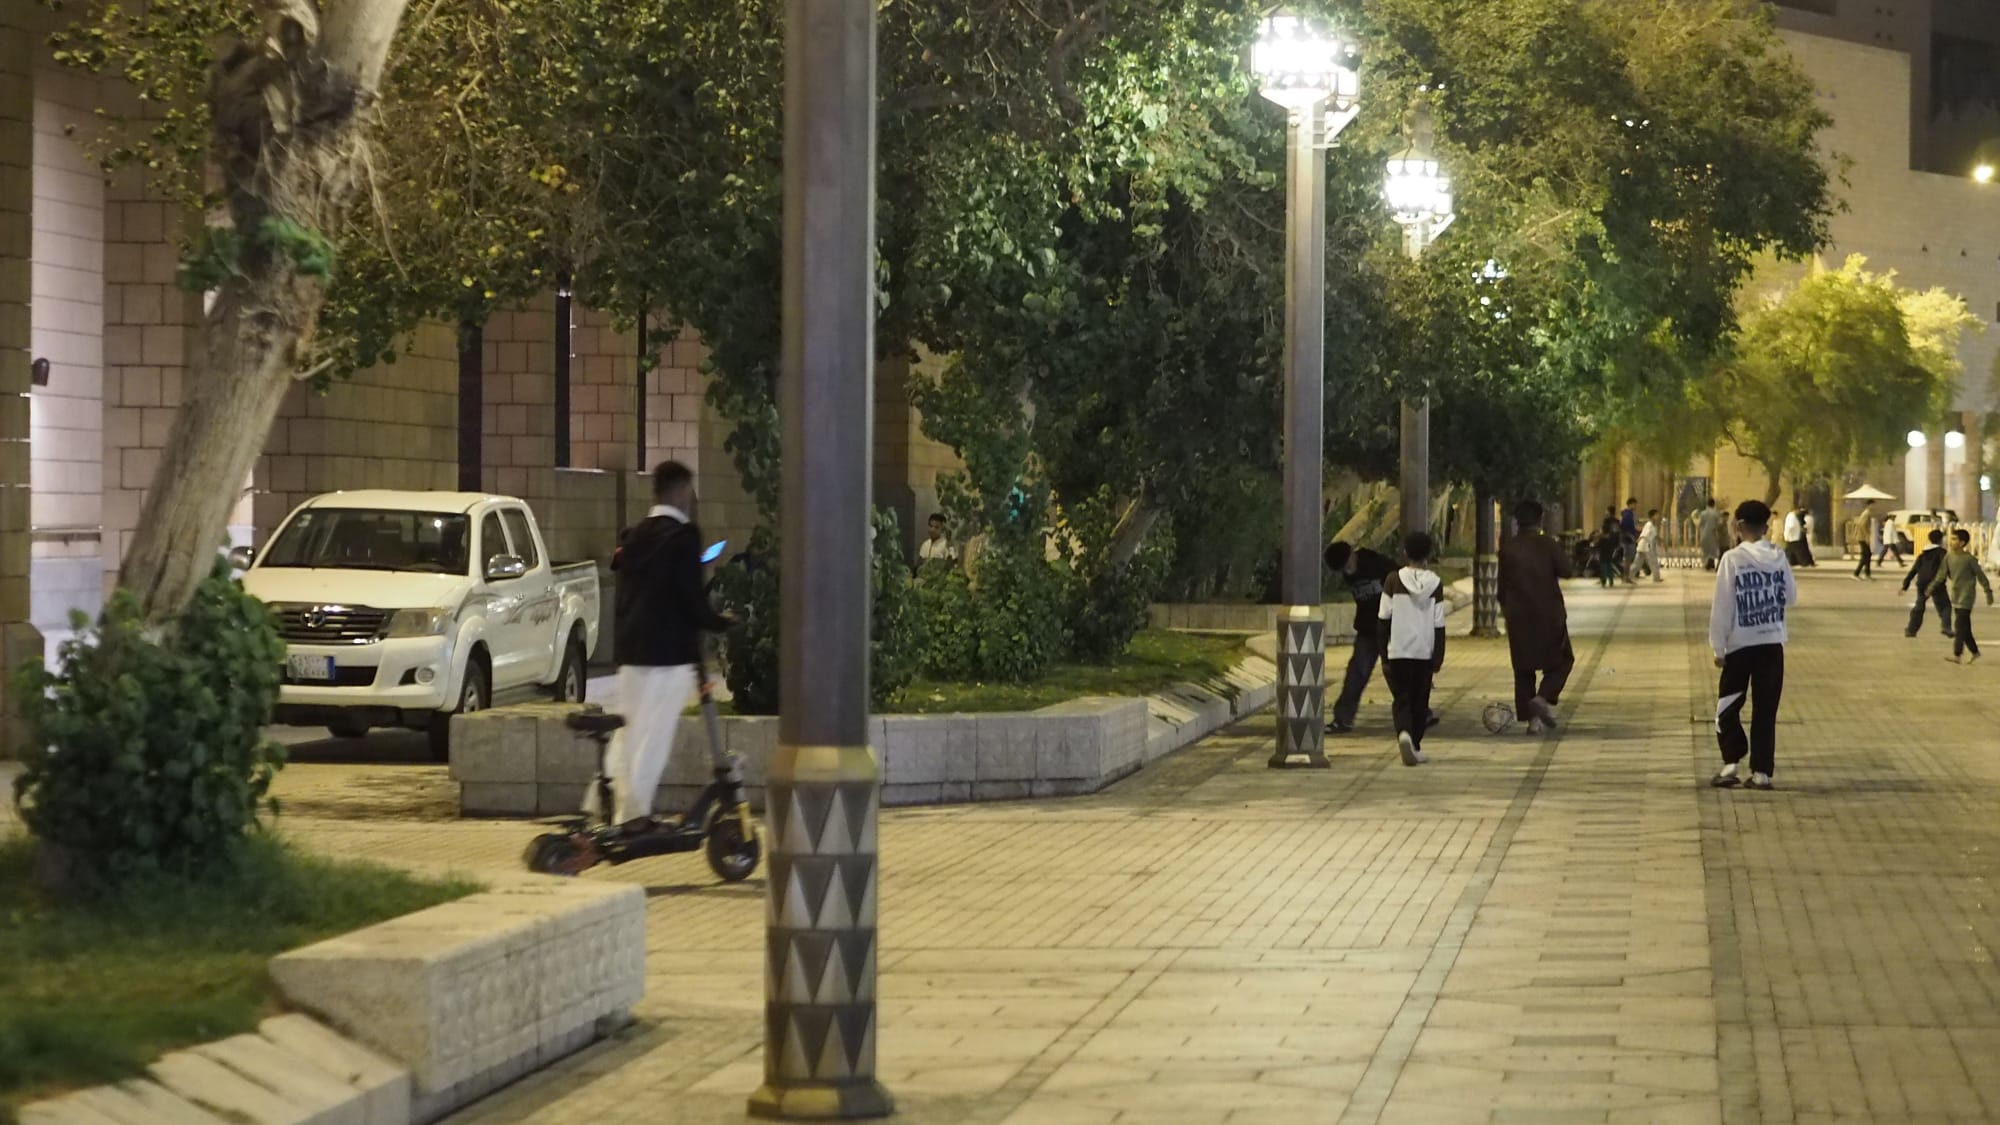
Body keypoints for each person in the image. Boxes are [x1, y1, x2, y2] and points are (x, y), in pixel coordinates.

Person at [596, 461, 735, 831]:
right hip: (669, 654)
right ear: (682, 491)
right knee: (654, 737)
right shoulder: (683, 537)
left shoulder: (634, 536)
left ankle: (606, 804)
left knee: (628, 733)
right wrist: (719, 621)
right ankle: (634, 815)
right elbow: (690, 598)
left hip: (631, 652)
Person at [1709, 500, 1796, 792]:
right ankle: (1761, 773)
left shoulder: (1732, 559)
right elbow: (1791, 596)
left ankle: (1731, 763)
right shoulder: (1779, 556)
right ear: (1766, 526)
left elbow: (1722, 605)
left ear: (1739, 526)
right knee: (1765, 710)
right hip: (1772, 643)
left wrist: (1718, 647)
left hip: (1739, 645)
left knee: (1728, 705)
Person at [1498, 500, 1574, 735]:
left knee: (1523, 667)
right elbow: (1567, 571)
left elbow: (1501, 587)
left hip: (1518, 615)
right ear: (1540, 520)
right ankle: (1543, 697)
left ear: (1517, 521)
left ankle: (1532, 722)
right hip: (1549, 614)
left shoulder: (1508, 548)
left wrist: (1507, 611)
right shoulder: (1548, 545)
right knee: (1562, 660)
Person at [1379, 531, 1445, 767]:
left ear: (1405, 552)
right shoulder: (1435, 584)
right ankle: (1415, 744)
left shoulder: (1392, 580)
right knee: (1420, 700)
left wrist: (1383, 653)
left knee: (1402, 698)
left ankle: (1403, 733)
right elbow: (1438, 623)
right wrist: (1438, 656)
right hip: (1423, 651)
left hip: (1398, 650)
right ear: (1428, 554)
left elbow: (1383, 618)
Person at [1325, 540, 1395, 734]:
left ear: (1352, 555)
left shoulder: (1377, 564)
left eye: (1348, 565)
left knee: (1397, 673)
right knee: (1357, 672)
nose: (1348, 571)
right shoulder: (1350, 576)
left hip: (1391, 627)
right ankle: (1343, 719)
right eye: (1343, 570)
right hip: (1367, 630)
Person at [1928, 528, 1994, 664]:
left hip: (1966, 596)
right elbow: (1941, 575)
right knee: (1965, 628)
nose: (1951, 542)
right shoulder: (1948, 557)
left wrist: (1988, 592)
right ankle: (1975, 652)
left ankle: (1957, 655)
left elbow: (1981, 576)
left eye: (1954, 539)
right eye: (1951, 539)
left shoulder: (1969, 559)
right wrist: (1931, 588)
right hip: (1956, 596)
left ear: (1962, 543)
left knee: (1959, 625)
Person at [1903, 529, 1954, 638]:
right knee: (1945, 606)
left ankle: (1911, 630)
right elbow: (1947, 567)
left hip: (1922, 582)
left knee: (1919, 606)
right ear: (1941, 540)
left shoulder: (1923, 554)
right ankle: (1946, 627)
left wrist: (1905, 585)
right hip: (1936, 583)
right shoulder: (1942, 553)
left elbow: (1914, 570)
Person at [1697, 499, 1729, 571]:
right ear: (1713, 504)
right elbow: (1719, 524)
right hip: (1713, 534)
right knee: (1713, 550)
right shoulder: (1716, 514)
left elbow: (1699, 524)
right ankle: (1710, 563)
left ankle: (1708, 563)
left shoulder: (1702, 513)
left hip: (1703, 534)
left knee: (1706, 550)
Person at [1636, 508, 1664, 582]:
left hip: (1643, 546)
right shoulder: (1649, 525)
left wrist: (1659, 539)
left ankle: (1629, 576)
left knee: (1637, 563)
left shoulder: (1651, 525)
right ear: (1652, 516)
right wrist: (1639, 539)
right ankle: (1656, 578)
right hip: (1647, 546)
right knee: (1653, 563)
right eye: (1656, 515)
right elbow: (1645, 534)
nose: (1658, 516)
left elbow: (1654, 535)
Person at [1848, 503, 1875, 579]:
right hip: (1862, 538)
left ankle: (1867, 573)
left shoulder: (1866, 513)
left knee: (1868, 555)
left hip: (1862, 537)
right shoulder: (1866, 514)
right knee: (1865, 555)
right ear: (1869, 505)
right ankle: (1856, 573)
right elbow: (1862, 525)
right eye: (1873, 505)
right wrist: (1866, 536)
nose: (1874, 507)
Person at [1591, 519, 1621, 587]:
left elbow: (1597, 546)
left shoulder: (1602, 539)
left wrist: (1594, 544)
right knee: (1609, 568)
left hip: (1603, 556)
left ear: (1603, 531)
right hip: (1609, 555)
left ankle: (1603, 581)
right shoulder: (1611, 538)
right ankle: (1611, 581)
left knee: (1603, 569)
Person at [1619, 499, 1641, 583]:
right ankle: (1625, 577)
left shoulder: (1629, 514)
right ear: (1630, 504)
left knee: (1628, 559)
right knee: (1627, 559)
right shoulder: (1627, 514)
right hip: (1627, 540)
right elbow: (1624, 527)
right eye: (1635, 504)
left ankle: (1626, 576)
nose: (1636, 506)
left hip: (1629, 539)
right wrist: (1631, 536)